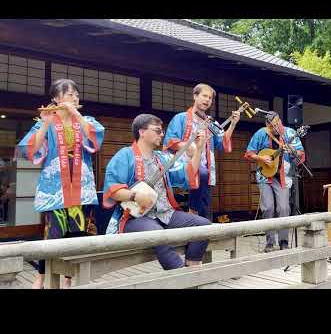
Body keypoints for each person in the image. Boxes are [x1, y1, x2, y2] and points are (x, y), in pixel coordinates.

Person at [17, 79, 104, 289]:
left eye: (76, 94)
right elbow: (30, 150)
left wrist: (75, 114)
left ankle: (68, 279)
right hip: (55, 188)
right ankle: (41, 275)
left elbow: (95, 138)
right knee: (53, 233)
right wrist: (45, 123)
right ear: (55, 98)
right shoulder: (44, 122)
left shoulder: (85, 119)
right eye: (68, 94)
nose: (74, 98)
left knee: (79, 232)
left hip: (80, 187)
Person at [103, 114, 211, 270]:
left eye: (162, 131)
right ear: (142, 132)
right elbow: (113, 190)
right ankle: (181, 275)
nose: (162, 134)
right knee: (158, 234)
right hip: (135, 217)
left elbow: (188, 174)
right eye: (158, 130)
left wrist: (198, 149)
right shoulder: (125, 155)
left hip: (166, 213)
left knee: (204, 225)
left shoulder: (162, 157)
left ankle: (192, 266)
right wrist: (136, 195)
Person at [163, 84, 240, 221]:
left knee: (205, 203)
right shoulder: (181, 118)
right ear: (195, 96)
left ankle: (201, 233)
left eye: (210, 98)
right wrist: (189, 146)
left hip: (206, 166)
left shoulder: (211, 123)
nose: (207, 100)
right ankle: (193, 211)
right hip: (183, 165)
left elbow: (222, 143)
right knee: (202, 173)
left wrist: (233, 124)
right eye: (204, 96)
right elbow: (170, 141)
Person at [244, 111, 305, 253]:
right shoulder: (261, 133)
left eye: (277, 124)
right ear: (267, 126)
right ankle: (270, 242)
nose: (275, 128)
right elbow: (249, 153)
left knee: (283, 208)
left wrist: (292, 151)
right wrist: (260, 159)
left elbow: (301, 156)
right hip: (265, 176)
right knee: (268, 208)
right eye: (271, 126)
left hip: (283, 177)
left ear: (280, 121)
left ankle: (283, 241)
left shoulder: (290, 133)